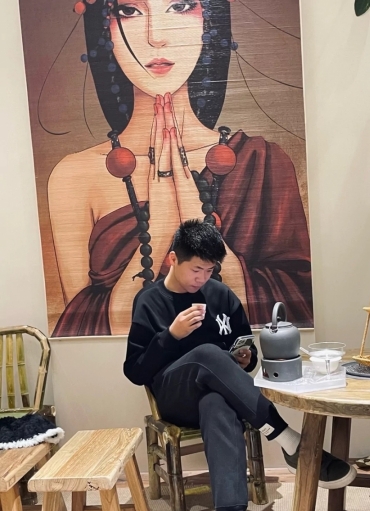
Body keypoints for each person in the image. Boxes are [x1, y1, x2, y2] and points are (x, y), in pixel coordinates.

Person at [48, 0, 313, 337]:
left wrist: (198, 225)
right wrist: (158, 232)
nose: (156, 36)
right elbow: (87, 336)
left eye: (180, 6)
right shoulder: (74, 176)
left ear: (209, 22)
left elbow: (290, 316)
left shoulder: (263, 161)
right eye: (129, 11)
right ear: (104, 29)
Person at [124, 220, 356, 511]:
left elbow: (246, 353)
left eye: (209, 270)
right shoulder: (149, 301)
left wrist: (247, 358)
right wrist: (171, 336)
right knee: (206, 353)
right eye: (196, 269)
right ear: (172, 260)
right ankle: (291, 440)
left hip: (218, 395)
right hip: (173, 397)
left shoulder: (221, 296)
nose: (203, 278)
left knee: (218, 402)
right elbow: (135, 372)